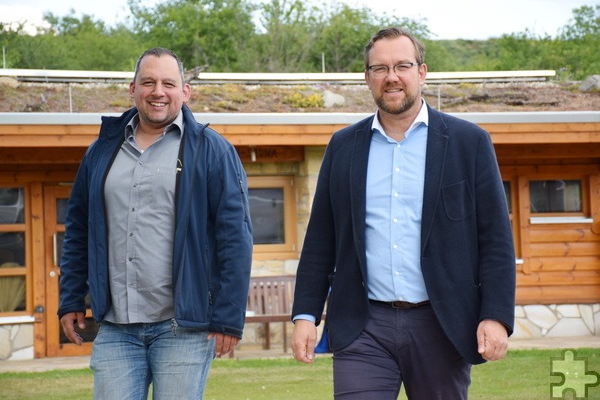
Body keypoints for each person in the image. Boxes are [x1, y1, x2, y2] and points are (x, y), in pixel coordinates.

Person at [291, 27, 515, 400]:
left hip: (442, 324)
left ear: (422, 72)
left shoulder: (468, 143)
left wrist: (495, 316)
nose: (391, 77)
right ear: (367, 78)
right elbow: (321, 240)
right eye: (379, 68)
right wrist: (305, 316)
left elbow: (494, 239)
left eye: (402, 66)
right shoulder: (343, 147)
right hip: (363, 326)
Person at [58, 47, 253, 400]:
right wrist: (71, 297)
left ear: (185, 91)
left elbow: (235, 238)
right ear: (132, 89)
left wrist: (228, 316)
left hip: (184, 327)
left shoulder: (212, 150)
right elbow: (78, 230)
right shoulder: (101, 152)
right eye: (148, 82)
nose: (157, 91)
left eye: (168, 83)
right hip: (116, 327)